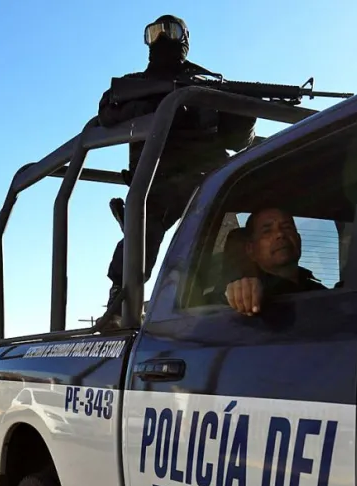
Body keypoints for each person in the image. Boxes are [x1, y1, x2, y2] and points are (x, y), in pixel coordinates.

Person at [96, 15, 256, 328]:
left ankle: (232, 300)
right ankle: (121, 302)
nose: (162, 38)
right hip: (156, 179)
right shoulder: (136, 86)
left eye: (170, 31)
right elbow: (107, 113)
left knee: (228, 240)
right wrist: (164, 106)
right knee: (142, 236)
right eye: (155, 32)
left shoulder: (208, 85)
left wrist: (246, 111)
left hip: (206, 179)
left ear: (184, 38)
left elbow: (239, 141)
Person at [224, 208, 326, 316]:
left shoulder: (322, 293)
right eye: (267, 231)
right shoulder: (252, 295)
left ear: (299, 239)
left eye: (287, 227)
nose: (280, 234)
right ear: (251, 249)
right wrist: (239, 296)